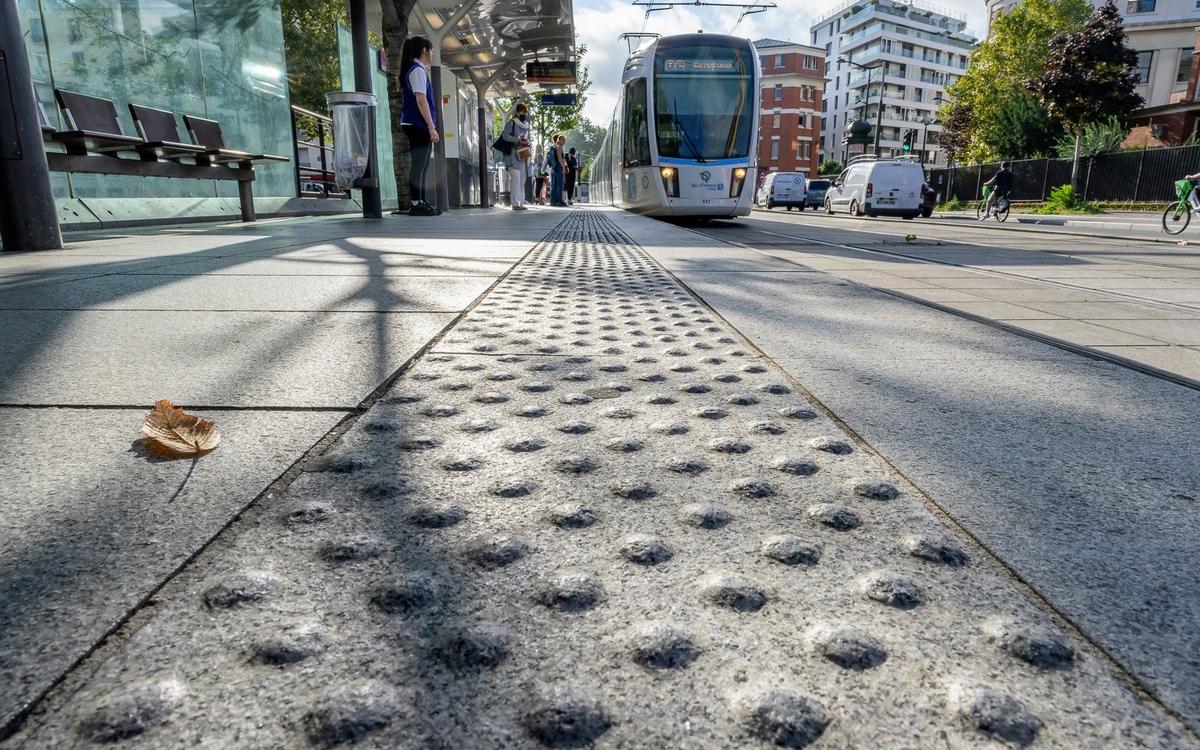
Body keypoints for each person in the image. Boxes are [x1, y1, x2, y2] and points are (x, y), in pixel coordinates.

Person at [399, 36, 440, 217]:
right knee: (419, 165)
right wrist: (431, 126)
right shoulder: (417, 70)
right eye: (430, 50)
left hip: (414, 123)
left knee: (422, 165)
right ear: (424, 50)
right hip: (417, 123)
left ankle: (421, 201)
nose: (432, 54)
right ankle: (416, 203)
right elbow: (421, 99)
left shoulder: (416, 69)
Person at [500, 103, 532, 210]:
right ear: (517, 113)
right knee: (516, 179)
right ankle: (515, 203)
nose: (524, 114)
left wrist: (528, 142)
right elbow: (505, 136)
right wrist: (517, 140)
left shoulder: (527, 126)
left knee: (522, 180)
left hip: (523, 156)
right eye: (522, 112)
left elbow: (528, 139)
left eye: (526, 112)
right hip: (513, 156)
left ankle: (521, 203)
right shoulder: (512, 123)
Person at [549, 133, 567, 206]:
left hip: (555, 167)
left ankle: (553, 201)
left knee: (555, 184)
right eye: (562, 139)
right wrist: (563, 167)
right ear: (558, 140)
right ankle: (560, 200)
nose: (564, 141)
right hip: (559, 166)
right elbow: (560, 158)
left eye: (564, 140)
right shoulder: (559, 147)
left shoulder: (556, 147)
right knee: (560, 184)